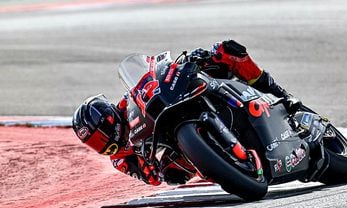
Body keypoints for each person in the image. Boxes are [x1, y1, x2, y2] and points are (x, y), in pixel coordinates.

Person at [72, 40, 301, 186]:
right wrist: (150, 168)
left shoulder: (128, 102)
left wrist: (184, 63)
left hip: (178, 102)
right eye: (103, 147)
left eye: (106, 139)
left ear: (110, 118)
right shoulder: (120, 159)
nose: (111, 145)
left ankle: (281, 94)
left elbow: (152, 75)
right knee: (173, 176)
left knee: (227, 51)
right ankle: (228, 165)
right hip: (180, 149)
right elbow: (152, 179)